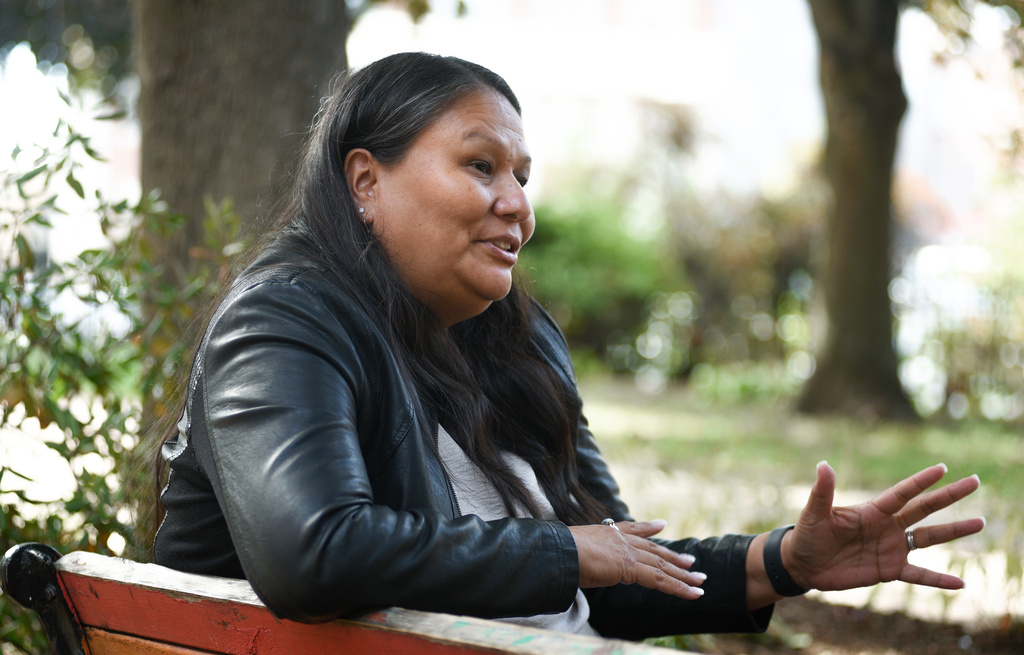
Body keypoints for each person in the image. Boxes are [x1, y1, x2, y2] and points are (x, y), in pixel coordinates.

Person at [151, 52, 985, 639]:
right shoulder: (287, 320)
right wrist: (568, 553)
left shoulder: (514, 339)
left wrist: (783, 561)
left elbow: (613, 569)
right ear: (365, 182)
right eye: (482, 166)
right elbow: (315, 553)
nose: (517, 204)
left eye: (523, 177)